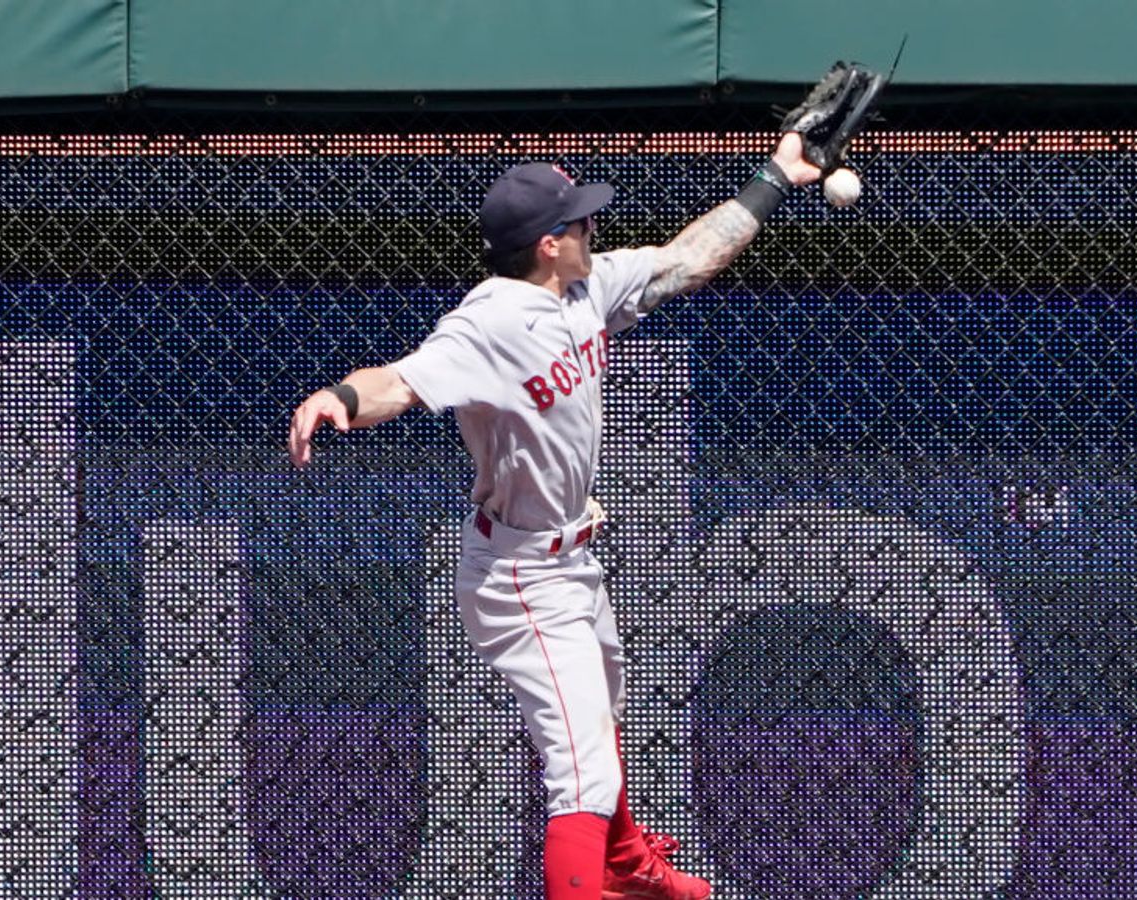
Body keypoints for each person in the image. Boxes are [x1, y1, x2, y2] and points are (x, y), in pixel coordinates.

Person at [290, 133, 827, 899]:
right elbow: (401, 382)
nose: (592, 230)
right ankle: (593, 873)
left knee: (597, 718)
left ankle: (622, 863)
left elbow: (686, 260)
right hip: (520, 577)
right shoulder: (493, 323)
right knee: (583, 774)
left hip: (571, 562)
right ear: (548, 245)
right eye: (579, 223)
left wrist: (777, 177)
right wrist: (339, 400)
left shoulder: (583, 288)